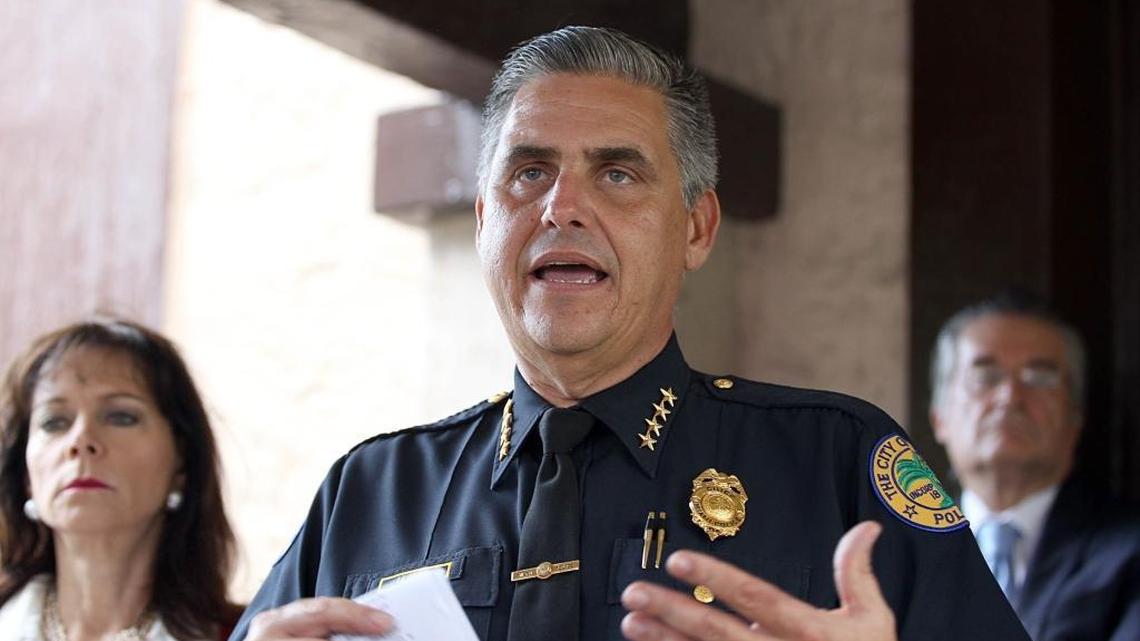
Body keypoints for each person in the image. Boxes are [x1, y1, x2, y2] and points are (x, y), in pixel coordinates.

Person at [231, 26, 1028, 641]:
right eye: (529, 172)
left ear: (696, 226)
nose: (562, 207)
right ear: (484, 221)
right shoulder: (370, 494)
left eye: (617, 173)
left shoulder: (836, 464)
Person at [0, 318, 242, 641]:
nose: (81, 440)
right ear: (26, 475)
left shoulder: (244, 634)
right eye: (55, 421)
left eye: (121, 416)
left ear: (181, 463)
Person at [929, 292, 1140, 641]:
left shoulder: (1128, 554)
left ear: (1076, 417)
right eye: (985, 377)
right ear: (939, 417)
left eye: (1039, 378)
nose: (1010, 396)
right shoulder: (890, 553)